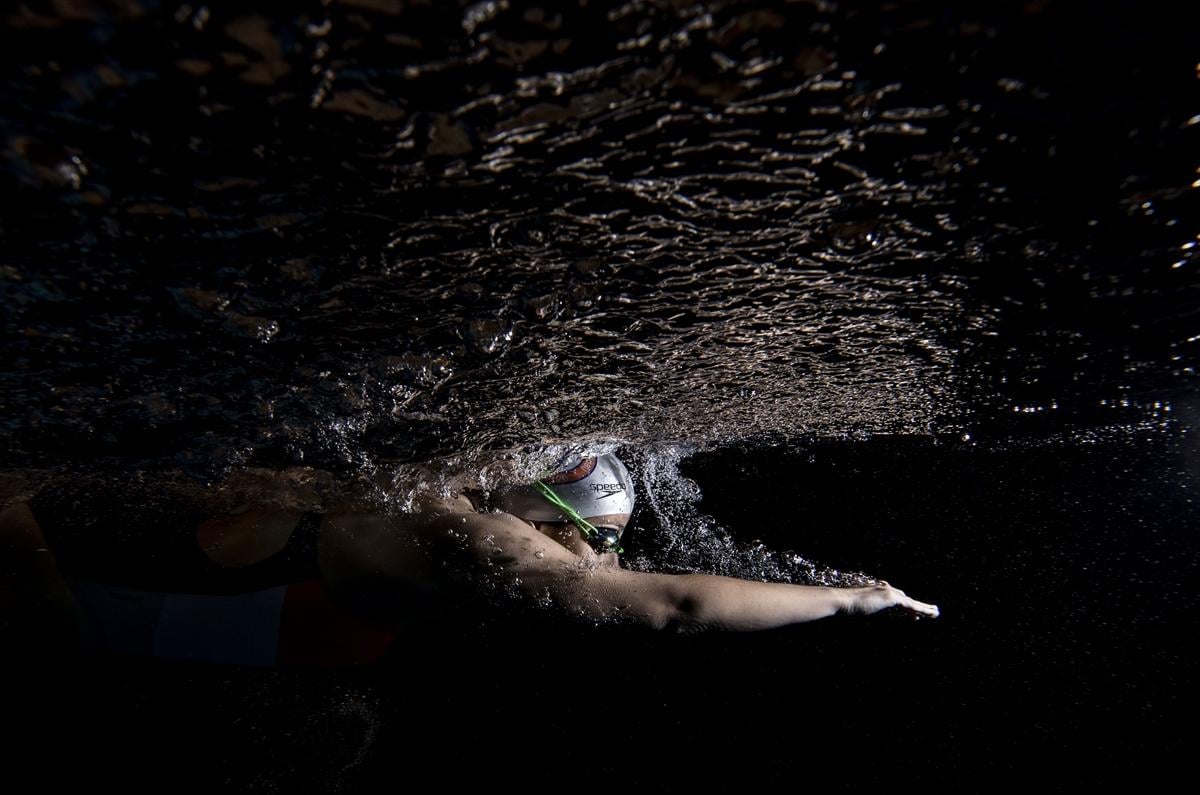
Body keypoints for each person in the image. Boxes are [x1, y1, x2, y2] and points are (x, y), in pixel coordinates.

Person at [0, 451, 938, 668]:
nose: (608, 553)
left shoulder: (482, 536)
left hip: (268, 611)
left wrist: (850, 601)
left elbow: (677, 605)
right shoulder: (455, 514)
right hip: (294, 612)